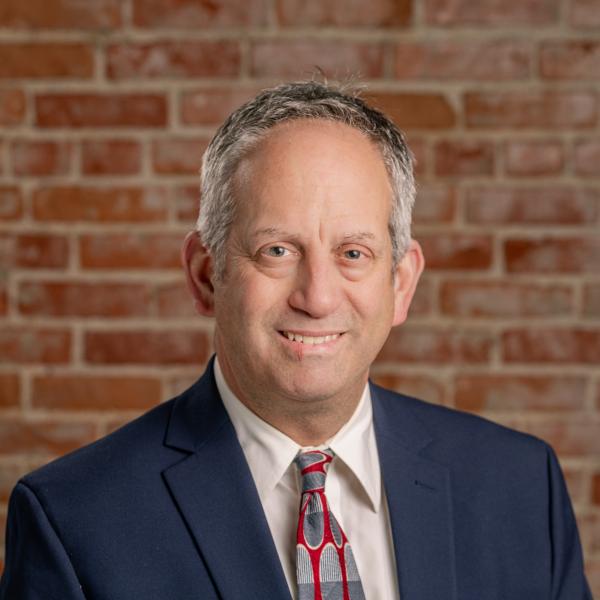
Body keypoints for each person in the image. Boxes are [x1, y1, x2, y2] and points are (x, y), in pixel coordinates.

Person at [0, 81, 591, 600]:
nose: (317, 296)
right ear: (207, 275)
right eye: (277, 251)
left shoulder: (519, 487)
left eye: (353, 253)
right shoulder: (75, 520)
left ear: (401, 283)